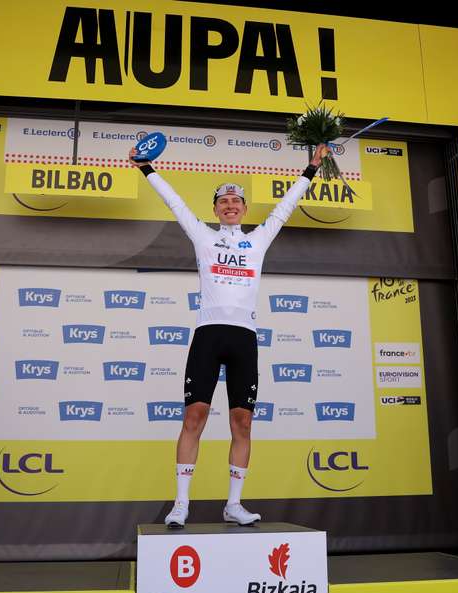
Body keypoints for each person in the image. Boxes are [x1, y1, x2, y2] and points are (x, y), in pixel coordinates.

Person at [129, 142, 330, 527]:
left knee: (242, 422)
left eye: (236, 200)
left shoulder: (257, 241)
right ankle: (181, 504)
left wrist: (311, 169)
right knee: (195, 416)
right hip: (208, 334)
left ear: (244, 208)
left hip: (243, 338)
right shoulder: (203, 237)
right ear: (216, 209)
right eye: (224, 201)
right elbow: (175, 204)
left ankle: (234, 505)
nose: (230, 205)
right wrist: (146, 168)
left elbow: (285, 208)